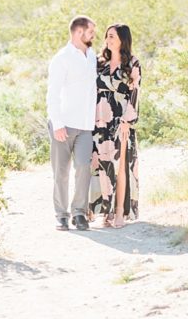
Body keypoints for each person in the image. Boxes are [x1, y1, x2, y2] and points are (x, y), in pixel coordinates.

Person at [46, 15, 98, 231]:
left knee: (84, 168)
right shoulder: (62, 58)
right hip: (64, 124)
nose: (94, 35)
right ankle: (61, 215)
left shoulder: (92, 55)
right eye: (91, 32)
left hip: (86, 125)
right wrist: (57, 123)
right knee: (61, 171)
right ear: (79, 32)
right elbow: (53, 93)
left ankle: (79, 213)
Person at [89, 23, 141, 228]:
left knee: (120, 167)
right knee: (101, 166)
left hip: (120, 122)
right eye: (107, 36)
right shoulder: (99, 62)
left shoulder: (133, 63)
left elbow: (134, 93)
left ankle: (119, 212)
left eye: (112, 36)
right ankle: (105, 213)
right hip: (98, 120)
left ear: (122, 40)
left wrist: (128, 121)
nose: (108, 40)